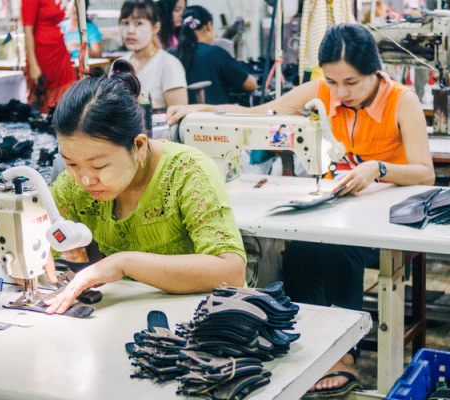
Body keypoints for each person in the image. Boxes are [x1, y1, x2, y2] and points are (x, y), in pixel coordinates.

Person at [167, 23, 435, 398]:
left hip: (388, 220)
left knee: (337, 248)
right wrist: (203, 110)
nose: (340, 92)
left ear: (375, 71)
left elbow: (425, 172)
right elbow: (257, 113)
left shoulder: (401, 101)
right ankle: (306, 343)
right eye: (333, 81)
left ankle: (343, 353)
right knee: (300, 249)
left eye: (351, 83)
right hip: (339, 209)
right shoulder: (322, 91)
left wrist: (378, 169)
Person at [41, 59, 246, 314]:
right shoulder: (75, 186)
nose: (85, 180)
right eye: (71, 163)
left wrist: (123, 264)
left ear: (138, 146)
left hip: (205, 320)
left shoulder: (188, 172)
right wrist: (27, 253)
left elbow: (231, 271)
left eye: (99, 166)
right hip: (130, 316)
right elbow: (34, 226)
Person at [174, 6, 257, 105]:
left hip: (182, 113)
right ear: (209, 25)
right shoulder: (216, 53)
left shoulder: (172, 54)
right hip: (214, 113)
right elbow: (251, 85)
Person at [119, 0, 188, 110]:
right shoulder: (119, 65)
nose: (130, 31)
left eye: (138, 23)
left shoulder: (169, 64)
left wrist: (143, 104)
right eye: (125, 23)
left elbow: (179, 113)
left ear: (155, 28)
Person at [22, 0, 78, 112]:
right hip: (43, 55)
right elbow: (27, 31)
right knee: (46, 104)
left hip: (60, 51)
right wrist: (33, 65)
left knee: (70, 98)